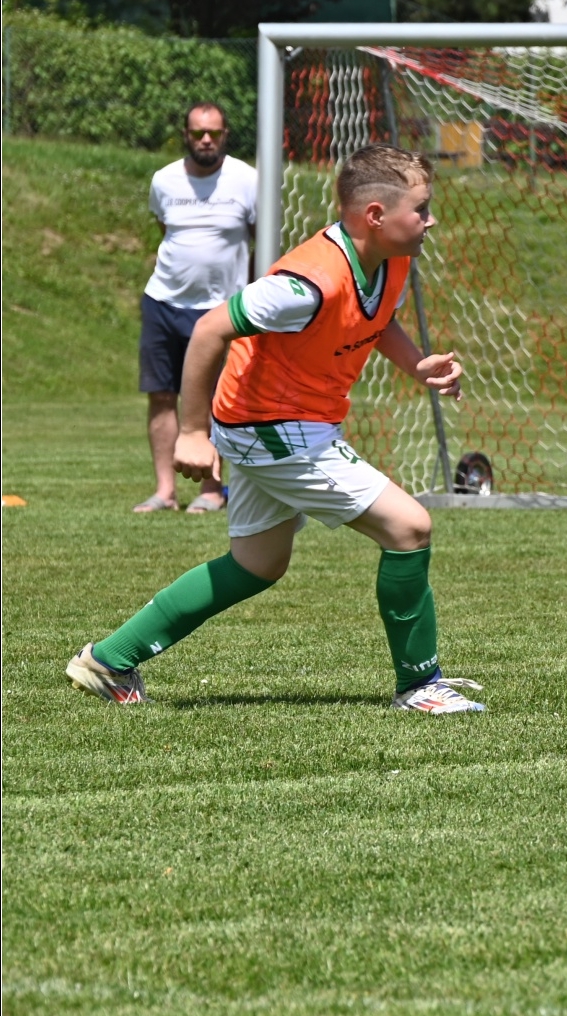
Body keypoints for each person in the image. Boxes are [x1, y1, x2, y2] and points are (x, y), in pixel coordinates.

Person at [67, 145, 481, 713]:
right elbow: (210, 329)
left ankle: (109, 659)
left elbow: (376, 317)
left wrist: (417, 364)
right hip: (271, 427)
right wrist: (191, 432)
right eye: (422, 208)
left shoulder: (392, 260)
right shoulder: (305, 283)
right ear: (376, 215)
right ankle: (420, 685)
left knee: (256, 564)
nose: (430, 220)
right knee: (409, 527)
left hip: (285, 423)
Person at [136, 102, 257, 513]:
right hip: (163, 301)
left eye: (215, 133)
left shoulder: (247, 180)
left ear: (225, 136)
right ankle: (165, 491)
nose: (207, 139)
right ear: (186, 135)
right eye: (199, 133)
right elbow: (164, 229)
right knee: (161, 395)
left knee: (215, 400)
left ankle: (211, 490)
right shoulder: (164, 179)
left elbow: (260, 238)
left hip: (221, 312)